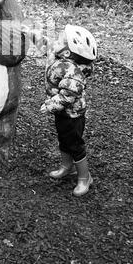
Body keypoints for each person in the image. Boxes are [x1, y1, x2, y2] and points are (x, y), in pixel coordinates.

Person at [40, 24, 97, 197]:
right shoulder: (63, 60)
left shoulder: (73, 72)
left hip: (72, 115)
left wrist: (51, 104)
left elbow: (67, 95)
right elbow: (49, 48)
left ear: (66, 53)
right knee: (64, 140)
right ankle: (67, 167)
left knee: (75, 145)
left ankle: (84, 178)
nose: (55, 41)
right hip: (64, 114)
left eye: (59, 40)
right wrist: (35, 36)